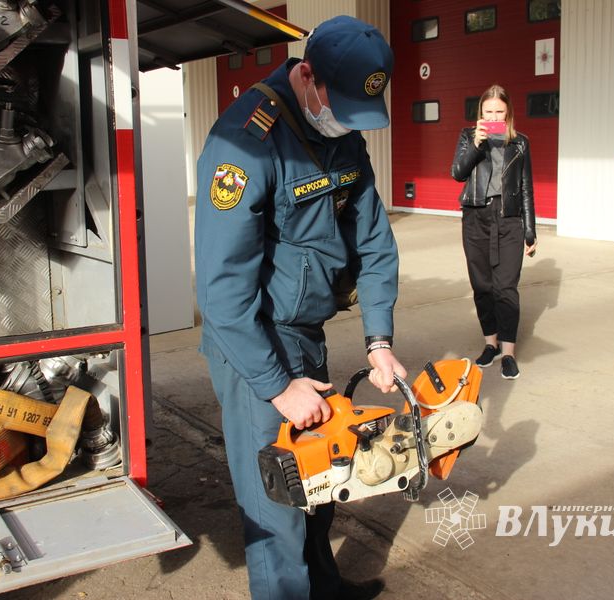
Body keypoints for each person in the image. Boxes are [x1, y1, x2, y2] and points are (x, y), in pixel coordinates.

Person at [194, 15, 404, 600]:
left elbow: (375, 244)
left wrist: (379, 340)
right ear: (306, 76)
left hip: (306, 333)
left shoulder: (342, 136)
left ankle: (325, 590)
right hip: (252, 343)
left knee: (323, 477)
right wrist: (277, 385)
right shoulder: (243, 144)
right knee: (279, 498)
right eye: (340, 107)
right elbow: (221, 292)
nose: (347, 126)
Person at [450, 85, 537, 380]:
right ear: (480, 114)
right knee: (482, 286)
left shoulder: (520, 143)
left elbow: (526, 188)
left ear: (508, 113)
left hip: (509, 218)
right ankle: (490, 343)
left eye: (499, 112)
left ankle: (508, 353)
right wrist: (476, 144)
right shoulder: (468, 137)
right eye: (488, 112)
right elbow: (457, 173)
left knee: (506, 288)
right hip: (475, 217)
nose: (494, 116)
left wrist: (530, 230)